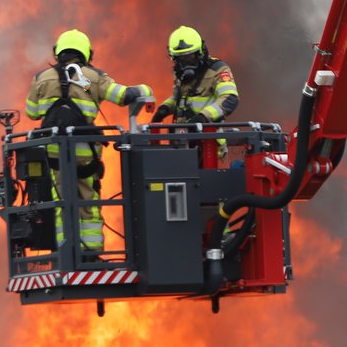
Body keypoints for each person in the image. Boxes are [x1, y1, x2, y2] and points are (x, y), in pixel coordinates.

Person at [24, 28, 153, 256]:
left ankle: (66, 253)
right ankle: (91, 253)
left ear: (58, 52)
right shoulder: (92, 77)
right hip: (84, 154)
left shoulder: (41, 78)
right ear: (86, 52)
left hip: (54, 154)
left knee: (61, 204)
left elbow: (31, 112)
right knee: (88, 204)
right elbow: (123, 96)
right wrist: (145, 89)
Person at [154, 25, 239, 125]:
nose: (185, 62)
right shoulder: (181, 74)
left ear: (200, 52)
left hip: (209, 136)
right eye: (181, 58)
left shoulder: (217, 69)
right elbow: (180, 98)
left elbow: (229, 98)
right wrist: (164, 109)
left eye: (190, 56)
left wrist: (204, 116)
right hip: (181, 134)